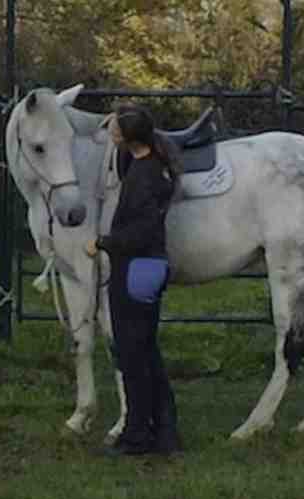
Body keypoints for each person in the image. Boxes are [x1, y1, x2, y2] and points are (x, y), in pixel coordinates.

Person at [85, 103, 182, 457]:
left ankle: (138, 434)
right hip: (148, 268)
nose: (110, 133)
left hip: (137, 268)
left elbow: (141, 231)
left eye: (115, 130)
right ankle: (165, 431)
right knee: (146, 351)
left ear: (127, 138)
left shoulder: (144, 177)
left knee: (132, 354)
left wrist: (102, 242)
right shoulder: (150, 166)